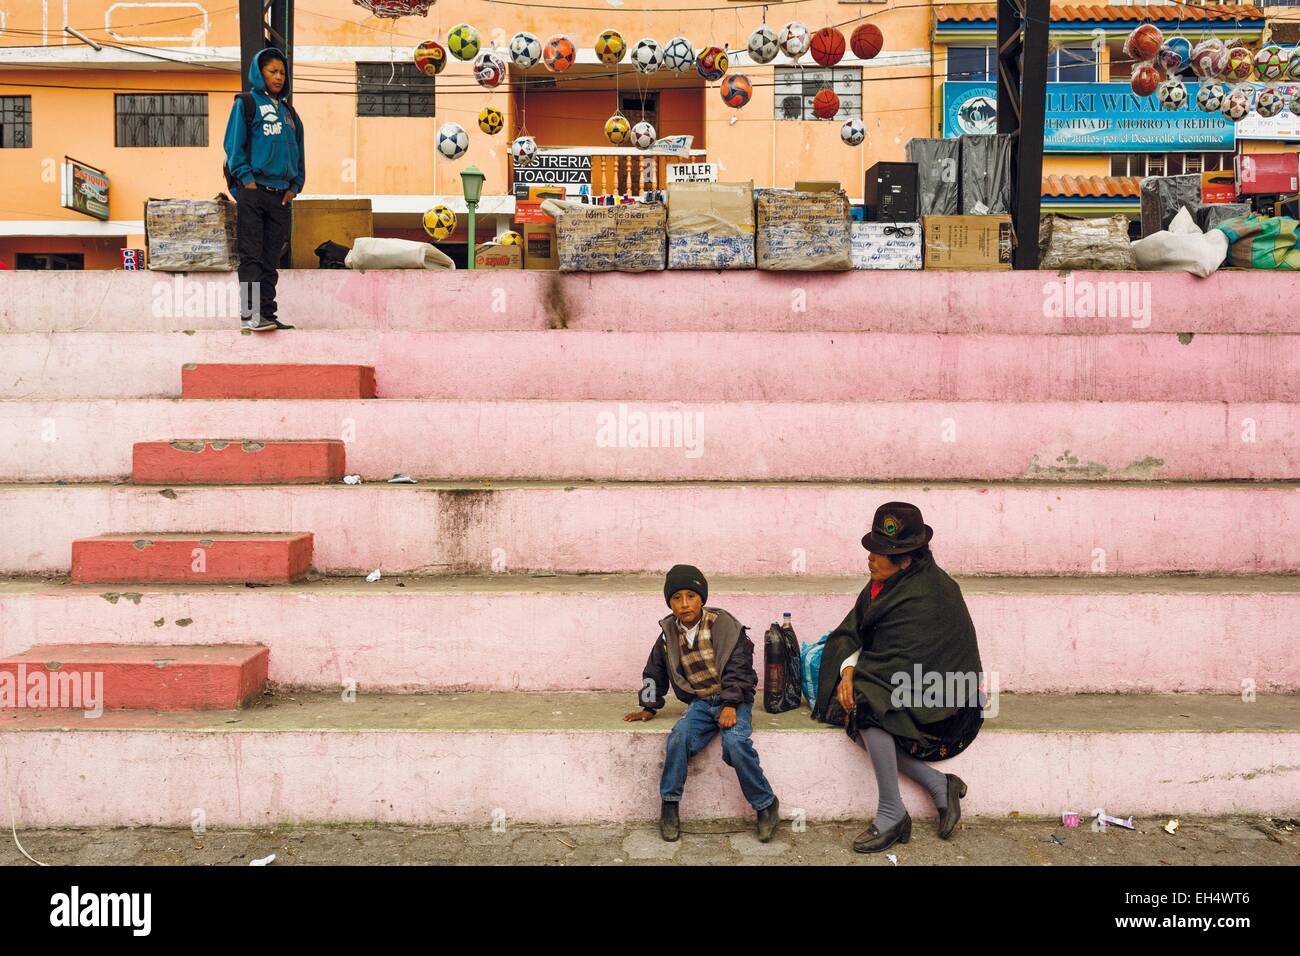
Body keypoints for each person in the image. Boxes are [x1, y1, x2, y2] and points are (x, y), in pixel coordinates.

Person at [813, 503, 984, 853]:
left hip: (947, 700)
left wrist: (858, 680)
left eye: (880, 554)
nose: (871, 560)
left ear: (905, 559)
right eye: (872, 551)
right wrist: (847, 671)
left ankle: (891, 813)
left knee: (866, 703)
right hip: (907, 684)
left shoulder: (932, 594)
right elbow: (854, 631)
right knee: (855, 705)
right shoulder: (884, 583)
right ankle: (938, 784)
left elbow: (907, 661)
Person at [624, 564, 781, 843]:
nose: (684, 604)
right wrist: (648, 706)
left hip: (733, 699)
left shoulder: (724, 626)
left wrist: (731, 704)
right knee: (678, 738)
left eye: (691, 596)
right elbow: (654, 671)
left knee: (734, 743)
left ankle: (766, 804)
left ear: (702, 598)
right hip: (701, 702)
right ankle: (670, 806)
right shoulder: (668, 634)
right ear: (669, 603)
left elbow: (740, 669)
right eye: (676, 598)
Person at [222, 46, 303, 332]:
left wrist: (295, 185)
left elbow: (299, 152)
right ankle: (250, 315)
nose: (279, 77)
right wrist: (248, 182)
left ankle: (267, 313)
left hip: (280, 196)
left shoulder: (290, 113)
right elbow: (234, 147)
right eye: (272, 71)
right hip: (253, 192)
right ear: (260, 73)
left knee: (271, 258)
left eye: (282, 72)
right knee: (252, 256)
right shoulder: (245, 103)